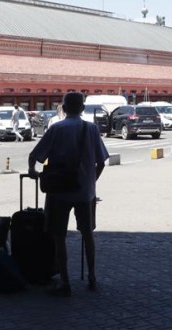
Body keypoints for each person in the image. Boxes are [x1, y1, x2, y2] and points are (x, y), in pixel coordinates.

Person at [28, 92, 109, 297]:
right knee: (87, 234)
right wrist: (90, 181)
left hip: (59, 192)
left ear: (63, 108)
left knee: (59, 236)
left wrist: (32, 171)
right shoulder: (91, 129)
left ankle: (64, 282)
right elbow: (101, 162)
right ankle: (91, 276)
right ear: (82, 109)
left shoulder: (56, 128)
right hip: (85, 192)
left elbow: (35, 156)